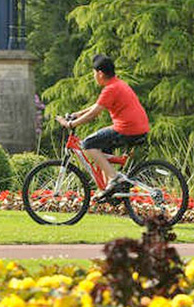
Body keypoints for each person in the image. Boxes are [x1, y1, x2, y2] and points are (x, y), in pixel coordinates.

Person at [55, 54, 150, 202]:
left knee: (88, 144)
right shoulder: (116, 84)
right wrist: (76, 114)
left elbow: (94, 113)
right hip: (135, 127)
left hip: (127, 129)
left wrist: (71, 124)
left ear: (100, 73)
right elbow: (97, 105)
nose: (93, 76)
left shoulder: (111, 89)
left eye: (93, 73)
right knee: (103, 147)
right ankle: (110, 190)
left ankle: (114, 178)